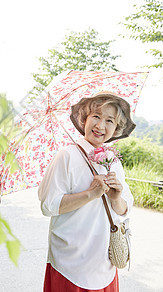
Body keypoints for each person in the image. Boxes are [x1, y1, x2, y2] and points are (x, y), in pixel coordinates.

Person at [38, 92, 135, 292]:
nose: (100, 126)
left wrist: (116, 199)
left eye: (109, 120)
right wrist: (90, 194)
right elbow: (49, 206)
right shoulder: (66, 156)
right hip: (70, 263)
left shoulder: (113, 160)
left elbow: (124, 208)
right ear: (84, 119)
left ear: (116, 128)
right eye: (96, 117)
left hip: (104, 260)